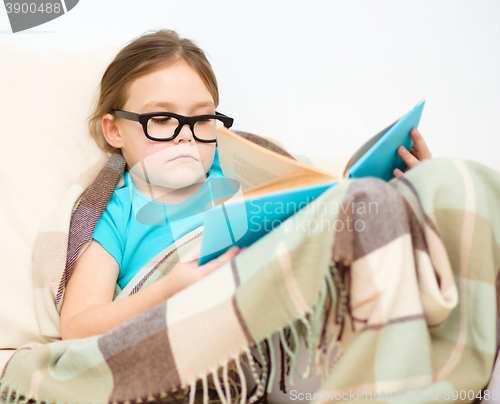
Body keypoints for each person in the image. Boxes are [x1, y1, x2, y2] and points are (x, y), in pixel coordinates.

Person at [59, 29, 432, 340]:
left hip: (296, 302)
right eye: (160, 119)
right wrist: (169, 290)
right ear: (114, 130)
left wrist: (408, 185)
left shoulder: (242, 167)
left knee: (434, 187)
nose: (185, 136)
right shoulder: (116, 210)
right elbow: (77, 327)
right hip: (208, 327)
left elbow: (326, 194)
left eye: (202, 119)